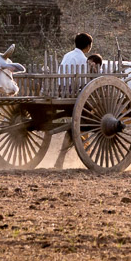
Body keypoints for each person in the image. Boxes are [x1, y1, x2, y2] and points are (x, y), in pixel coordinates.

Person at [52, 32, 95, 167]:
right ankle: (85, 153)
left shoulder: (67, 55)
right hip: (72, 93)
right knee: (88, 117)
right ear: (88, 47)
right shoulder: (83, 60)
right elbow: (84, 82)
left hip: (60, 90)